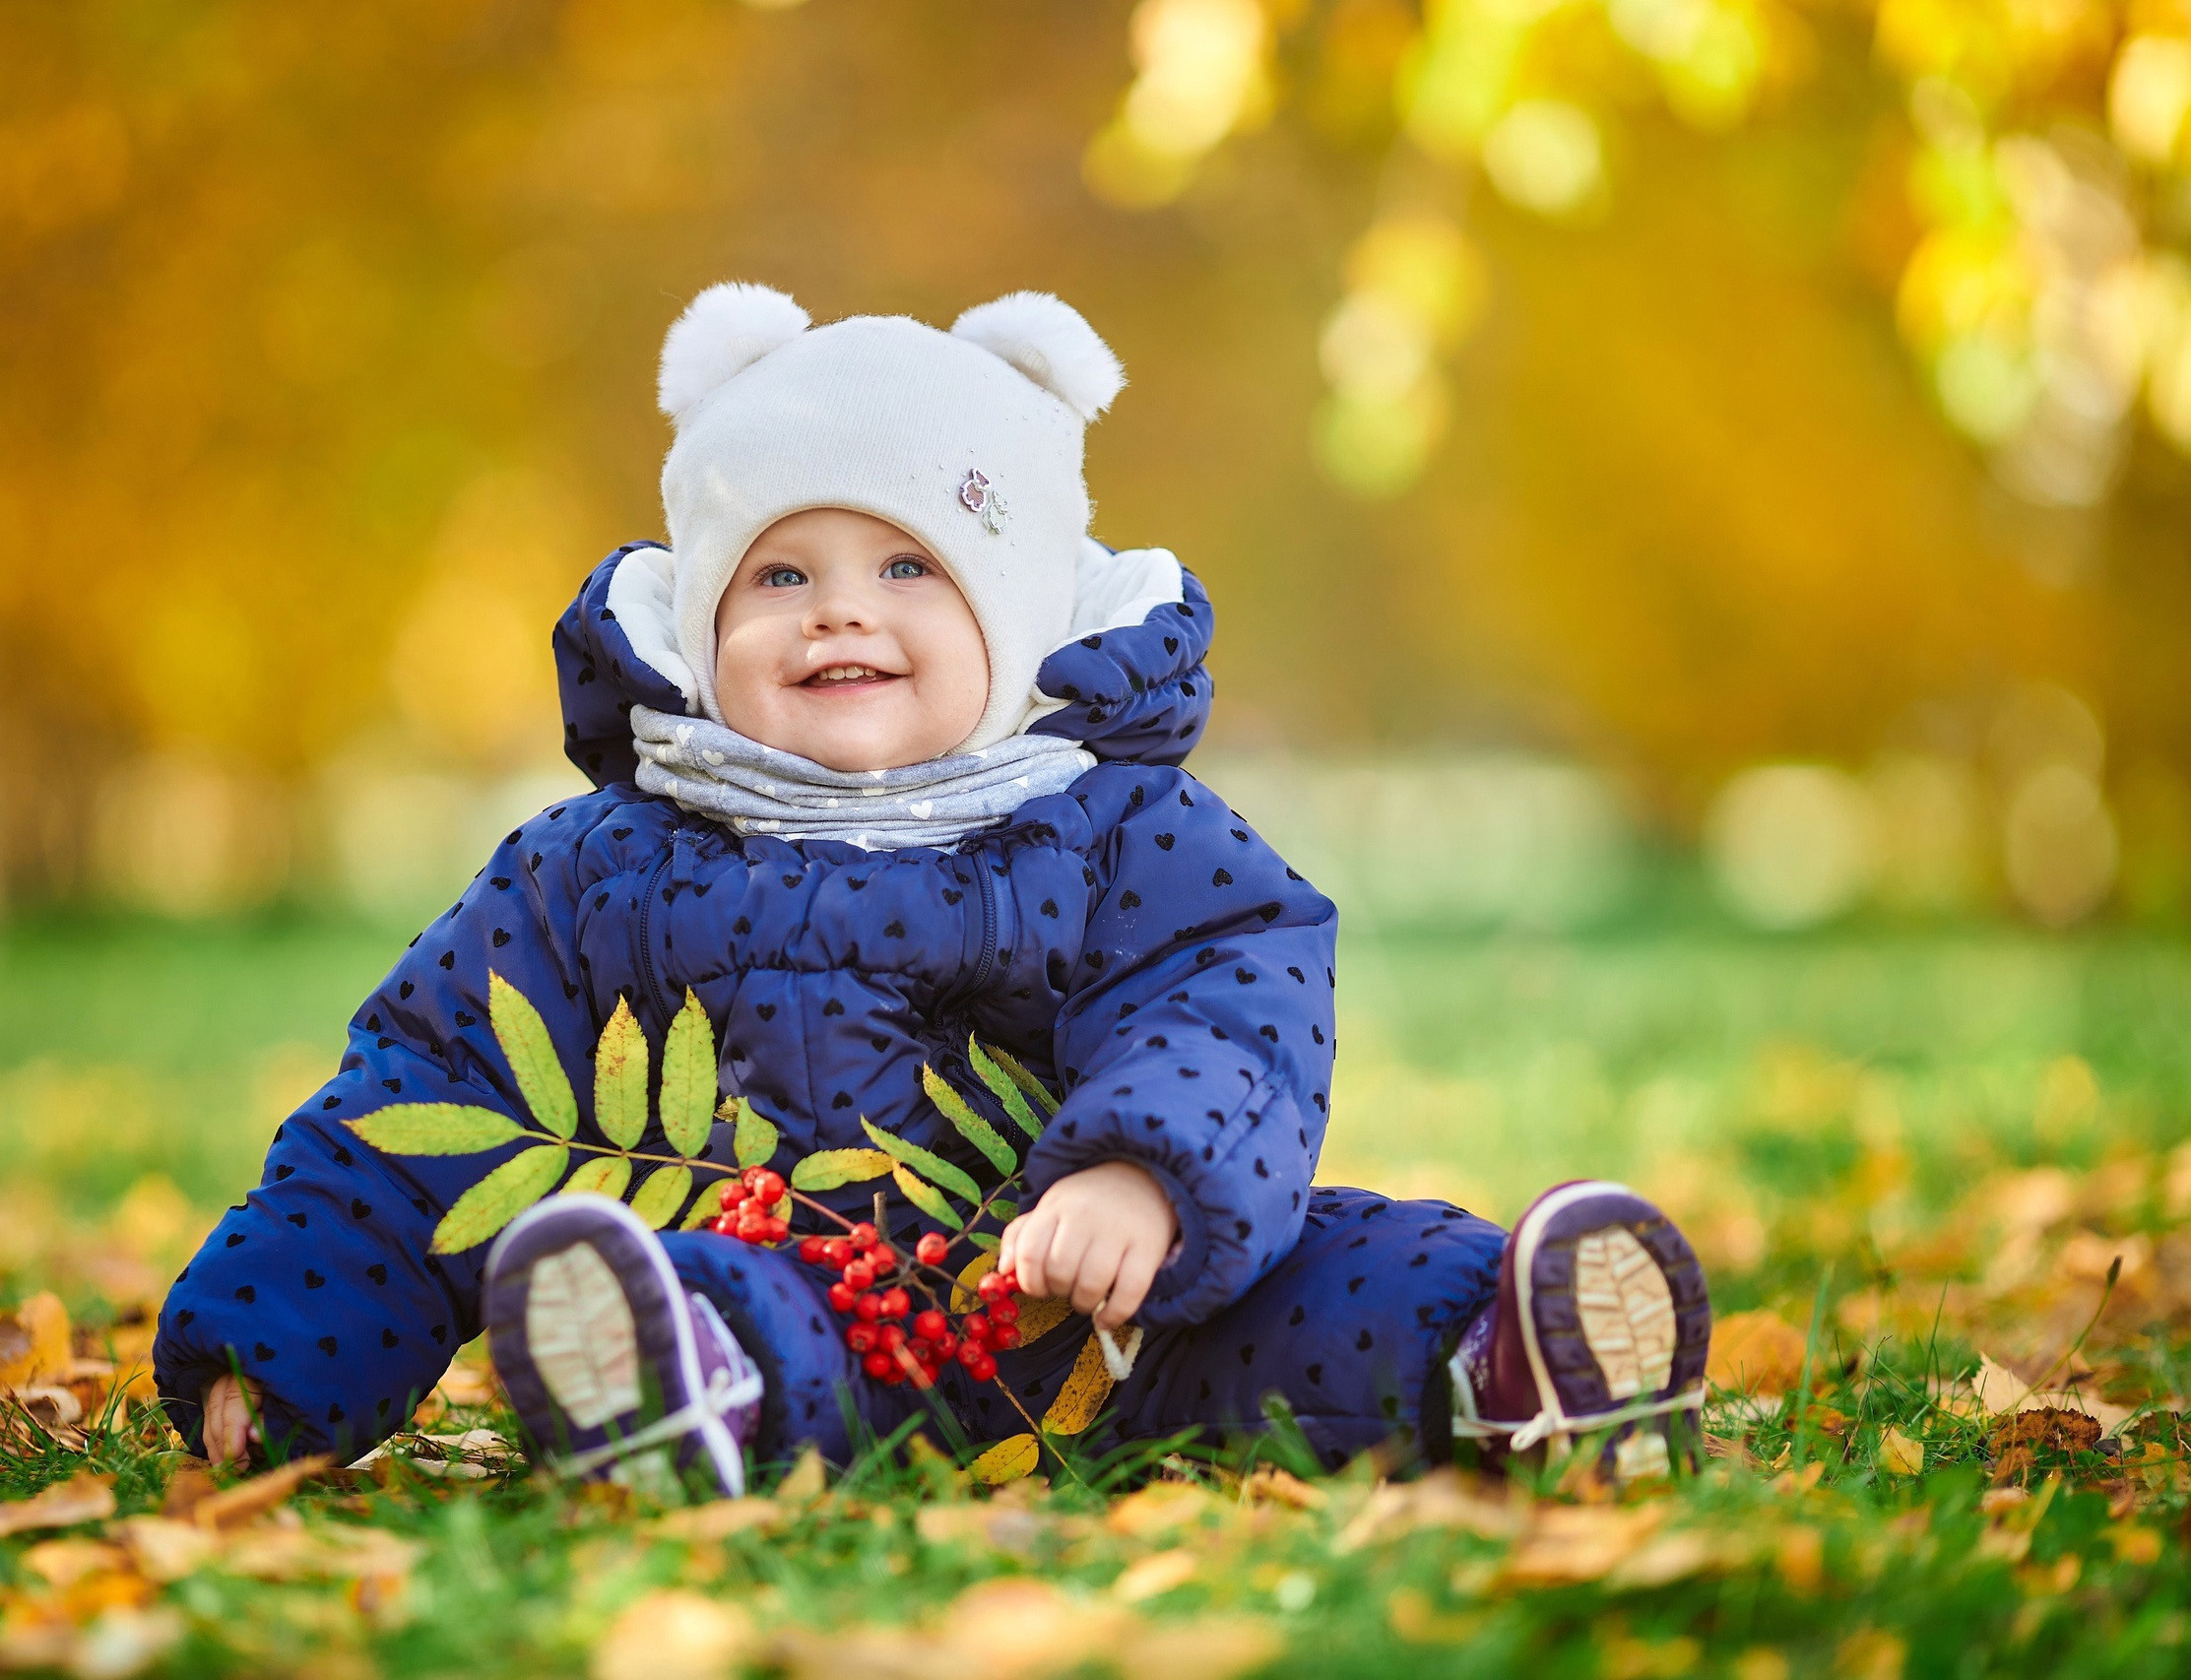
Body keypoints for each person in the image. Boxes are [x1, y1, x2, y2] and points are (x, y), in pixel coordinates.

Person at [154, 284, 1710, 1492]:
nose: (841, 612)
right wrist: (272, 1353)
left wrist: (1142, 1179)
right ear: (705, 624)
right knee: (729, 1306)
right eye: (782, 574)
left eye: (908, 567)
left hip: (1109, 1312)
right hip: (816, 1306)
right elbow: (421, 1092)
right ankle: (667, 1387)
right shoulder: (601, 867)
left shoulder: (1109, 825)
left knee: (1342, 1275)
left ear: (1019, 609)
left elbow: (1231, 989)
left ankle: (1516, 1359)